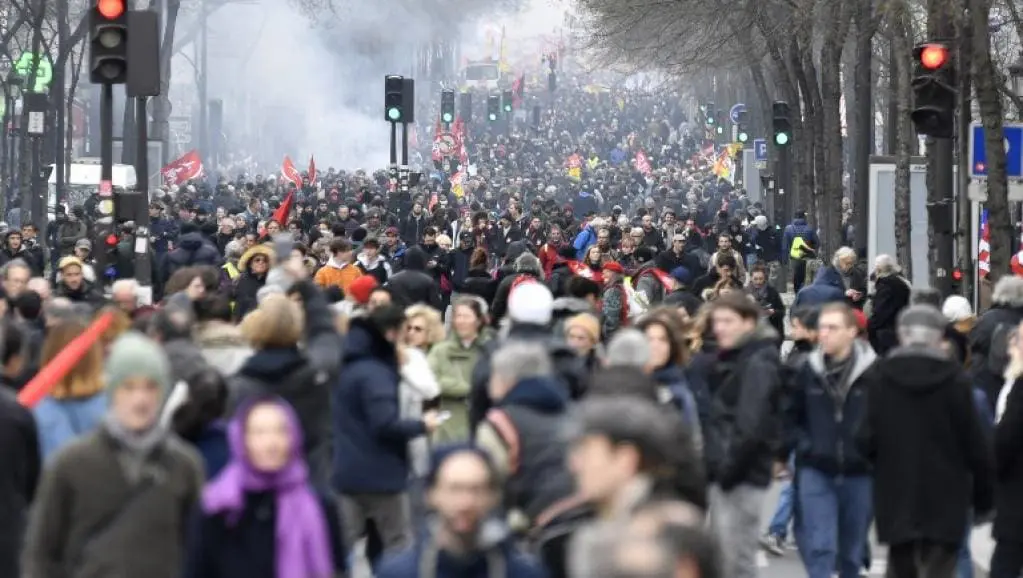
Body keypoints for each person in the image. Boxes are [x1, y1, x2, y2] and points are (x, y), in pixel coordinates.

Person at [22, 333, 205, 578]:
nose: (140, 399)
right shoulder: (71, 464)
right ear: (112, 390)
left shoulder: (184, 466)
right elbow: (42, 551)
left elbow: (201, 551)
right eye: (128, 387)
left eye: (150, 387)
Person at [858, 305, 994, 578]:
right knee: (940, 568)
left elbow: (864, 438)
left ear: (901, 335)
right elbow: (975, 445)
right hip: (947, 494)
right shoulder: (957, 381)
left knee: (901, 566)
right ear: (939, 337)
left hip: (896, 492)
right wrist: (983, 499)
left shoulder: (880, 377)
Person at [184, 396, 346, 578]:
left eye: (281, 431)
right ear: (242, 439)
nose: (271, 443)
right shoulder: (217, 508)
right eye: (259, 433)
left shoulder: (320, 507)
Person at [333, 304, 443, 563]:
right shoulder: (376, 372)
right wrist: (422, 425)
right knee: (399, 546)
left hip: (345, 469)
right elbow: (384, 424)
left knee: (341, 548)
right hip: (381, 473)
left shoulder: (348, 363)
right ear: (392, 333)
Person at [787, 303, 878, 578]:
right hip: (817, 468)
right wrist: (802, 446)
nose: (824, 333)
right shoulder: (807, 369)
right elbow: (789, 414)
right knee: (820, 545)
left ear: (852, 331)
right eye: (822, 327)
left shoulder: (876, 372)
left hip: (860, 471)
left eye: (833, 327)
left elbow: (889, 422)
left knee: (851, 552)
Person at [377, 445, 547, 578]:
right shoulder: (398, 573)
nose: (466, 503)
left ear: (494, 497)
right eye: (455, 489)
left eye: (477, 489)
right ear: (431, 495)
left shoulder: (524, 573)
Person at [704, 293, 782, 578]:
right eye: (717, 321)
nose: (720, 328)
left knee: (735, 561)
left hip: (740, 475)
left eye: (728, 321)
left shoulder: (756, 362)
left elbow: (751, 423)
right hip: (734, 472)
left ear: (749, 323)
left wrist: (726, 470)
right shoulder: (741, 357)